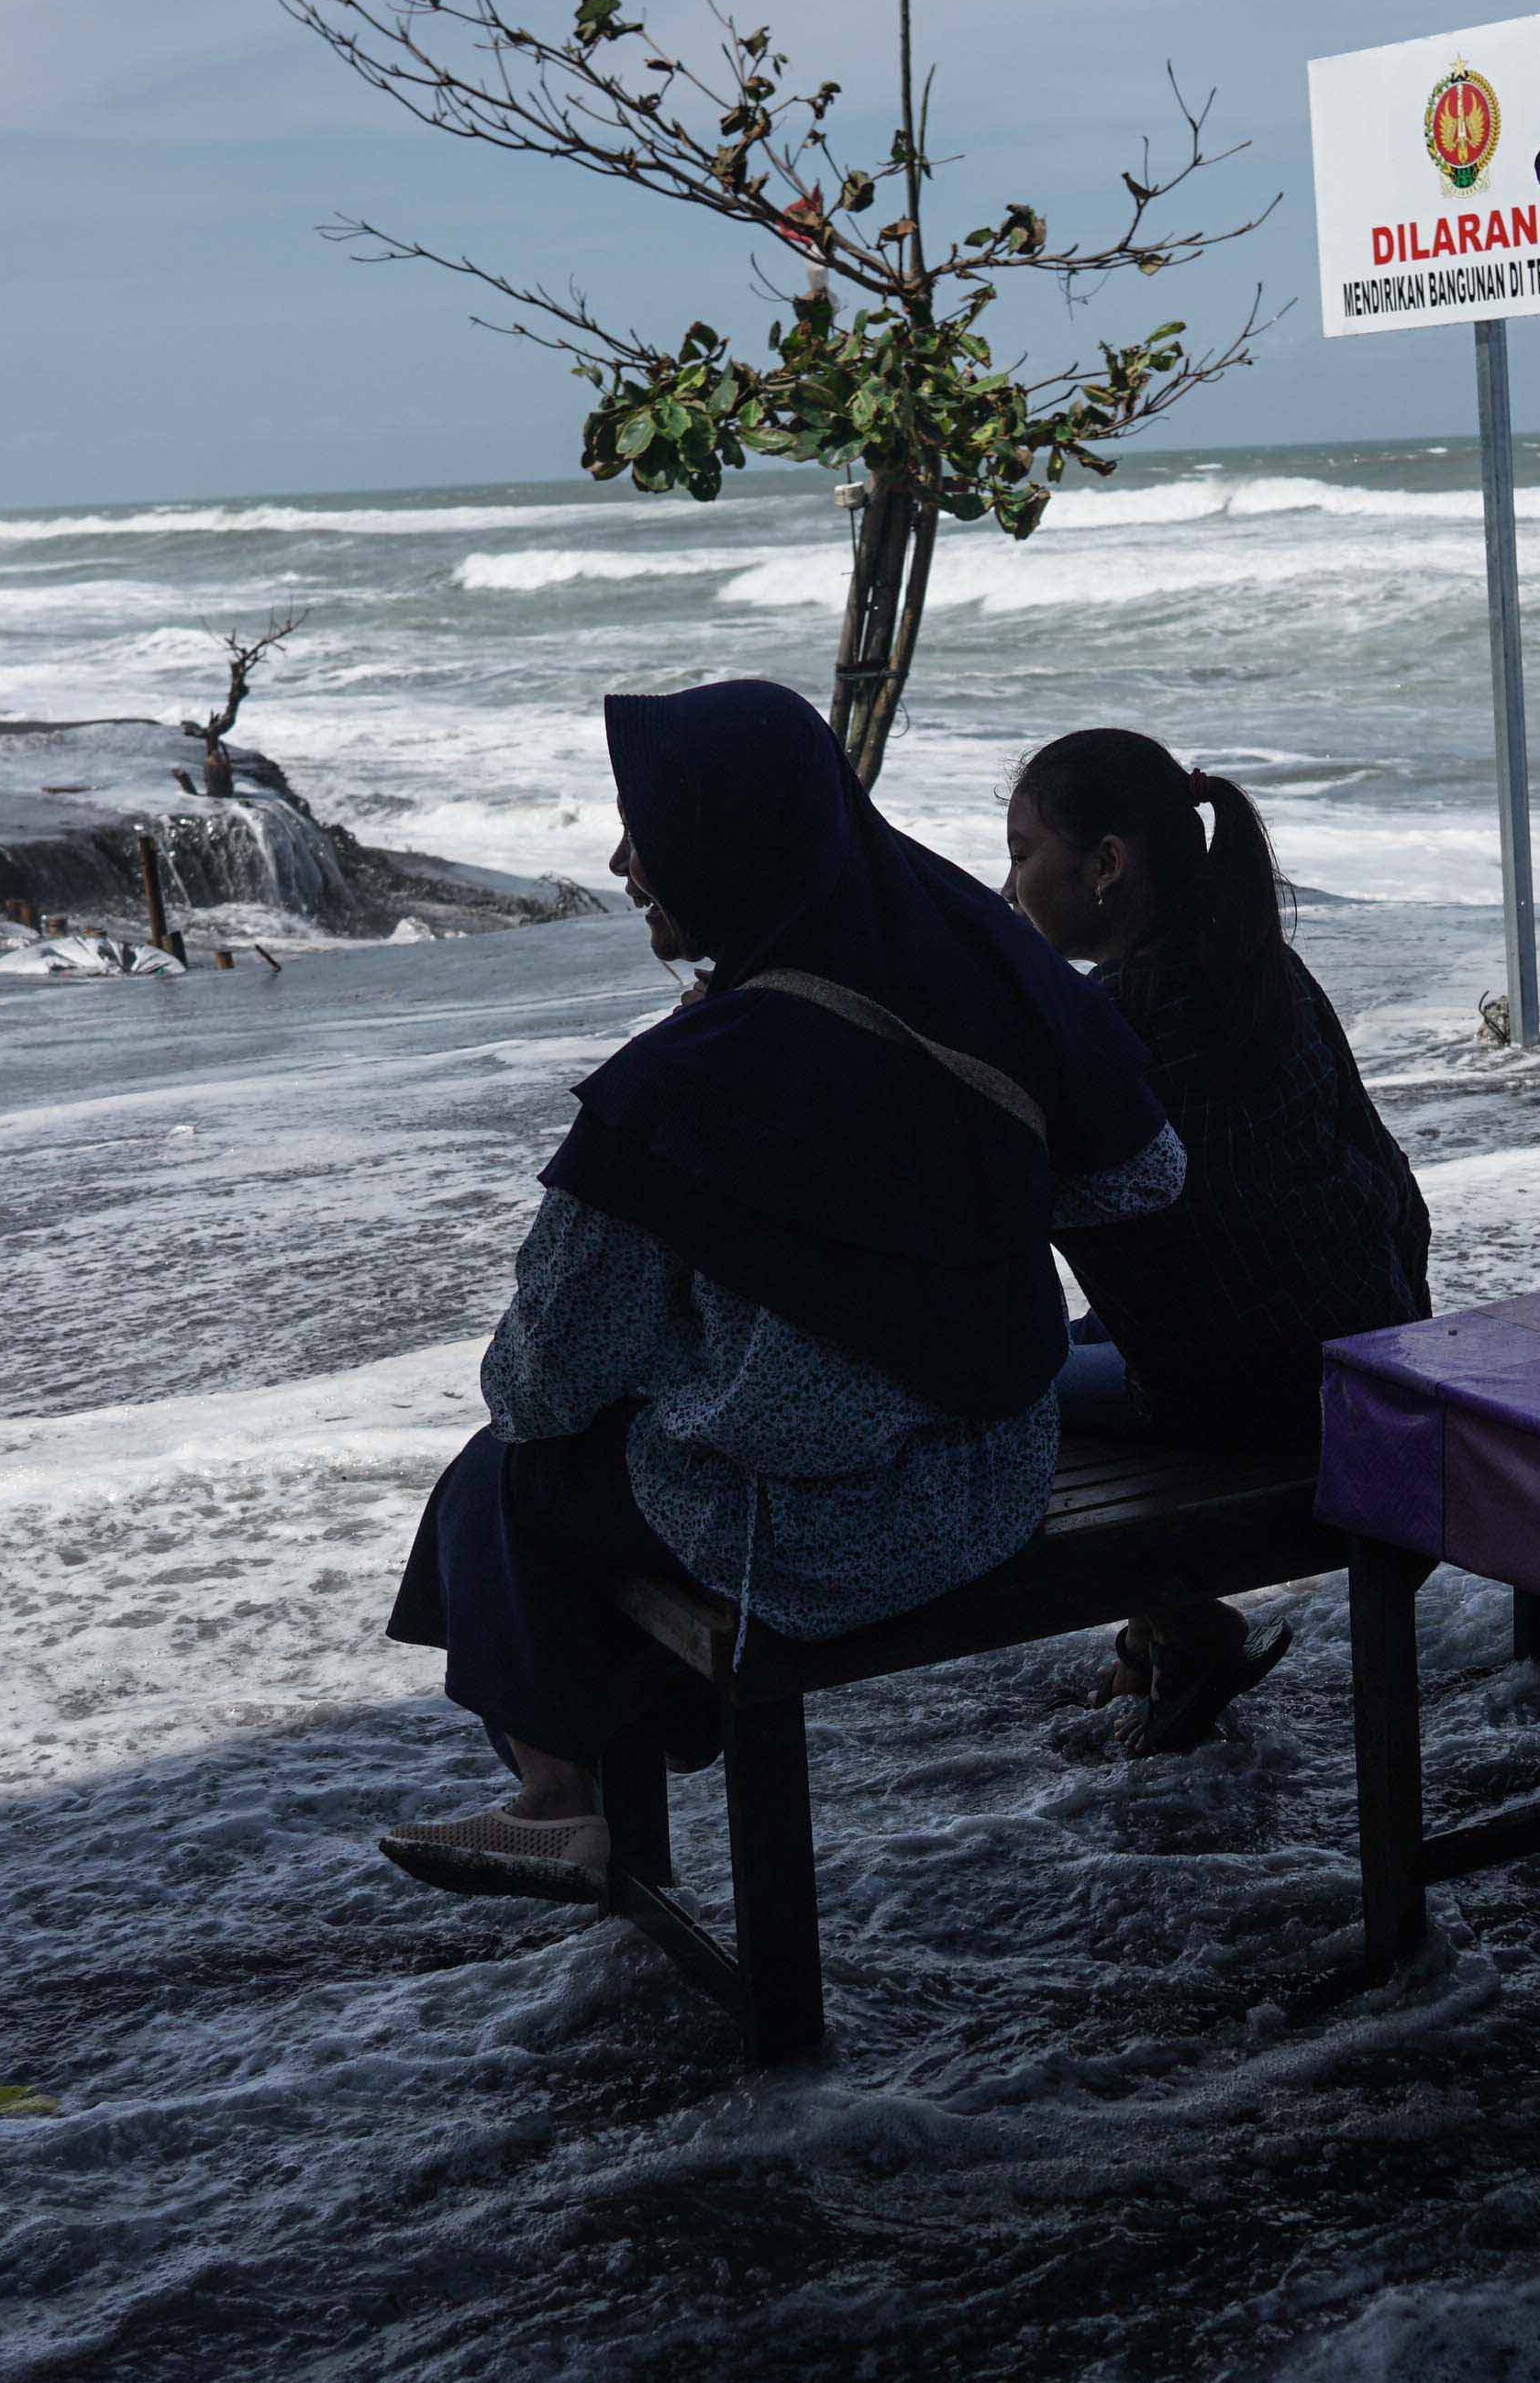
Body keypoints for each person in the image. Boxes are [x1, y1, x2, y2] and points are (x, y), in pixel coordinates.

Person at [382, 679, 1180, 1896]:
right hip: (1000, 1474)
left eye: (645, 829)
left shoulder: (683, 1092)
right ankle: (587, 1775)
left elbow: (539, 1380)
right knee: (568, 1460)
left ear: (722, 840)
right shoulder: (975, 960)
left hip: (824, 1542)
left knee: (507, 1469)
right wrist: (933, 1208)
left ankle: (559, 1795)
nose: (619, 859)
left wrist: (720, 1317)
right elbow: (1144, 1178)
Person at [1000, 728, 1431, 1746]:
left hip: (1257, 1393)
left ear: (1106, 865)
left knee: (986, 1384)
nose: (1009, 880)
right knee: (1085, 1336)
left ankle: (1185, 1624)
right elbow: (1379, 1181)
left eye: (1023, 852)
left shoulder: (1113, 1020)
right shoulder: (1261, 964)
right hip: (1366, 1341)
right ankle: (1162, 1639)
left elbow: (1005, 1190)